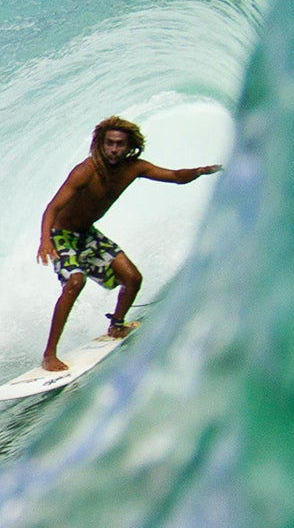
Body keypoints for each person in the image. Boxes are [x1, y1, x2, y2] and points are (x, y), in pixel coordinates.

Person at [36, 115, 222, 371]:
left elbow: (176, 176)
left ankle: (117, 324)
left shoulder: (134, 168)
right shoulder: (86, 171)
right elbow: (52, 207)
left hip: (87, 235)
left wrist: (200, 171)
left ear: (129, 146)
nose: (114, 149)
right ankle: (49, 355)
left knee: (132, 278)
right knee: (75, 282)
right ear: (101, 144)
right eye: (109, 143)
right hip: (61, 234)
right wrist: (45, 241)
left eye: (120, 144)